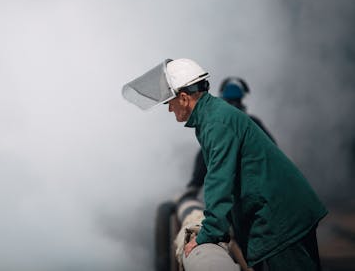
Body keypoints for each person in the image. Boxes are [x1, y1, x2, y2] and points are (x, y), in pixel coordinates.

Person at [122, 58, 327, 270]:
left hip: (282, 220)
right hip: (280, 214)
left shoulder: (216, 122)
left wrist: (207, 233)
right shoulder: (212, 117)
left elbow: (219, 180)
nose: (169, 110)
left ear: (183, 98)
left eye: (169, 103)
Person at [185, 77, 276, 199]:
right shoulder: (253, 123)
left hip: (241, 189)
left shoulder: (220, 126)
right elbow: (273, 150)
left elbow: (204, 155)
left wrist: (194, 185)